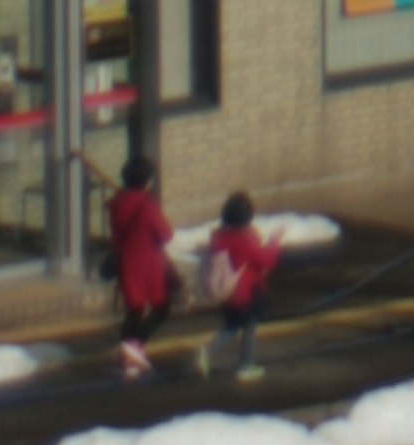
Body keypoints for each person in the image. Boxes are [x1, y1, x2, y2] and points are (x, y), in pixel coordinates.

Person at [104, 145, 178, 380]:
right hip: (149, 266)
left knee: (134, 310)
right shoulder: (147, 207)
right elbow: (165, 234)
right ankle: (134, 349)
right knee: (160, 308)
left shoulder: (117, 204)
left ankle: (128, 354)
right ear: (146, 181)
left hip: (127, 263)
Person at [197, 195, 283, 385]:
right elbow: (266, 260)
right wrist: (275, 242)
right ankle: (246, 365)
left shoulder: (218, 237)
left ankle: (207, 351)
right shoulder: (244, 239)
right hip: (247, 292)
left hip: (226, 292)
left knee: (232, 326)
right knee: (249, 327)